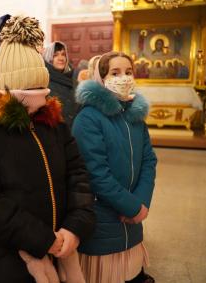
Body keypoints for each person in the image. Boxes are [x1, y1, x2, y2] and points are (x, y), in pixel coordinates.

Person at [0, 15, 96, 283]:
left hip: (60, 246)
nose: (39, 98)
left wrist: (74, 227)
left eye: (40, 89)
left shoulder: (52, 121)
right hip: (4, 258)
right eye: (29, 90)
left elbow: (78, 174)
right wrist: (42, 239)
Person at [72, 51, 157, 283]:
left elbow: (149, 160)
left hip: (133, 220)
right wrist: (131, 206)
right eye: (115, 73)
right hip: (103, 219)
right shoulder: (88, 118)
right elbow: (96, 174)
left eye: (129, 72)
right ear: (101, 78)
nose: (124, 78)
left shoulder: (135, 114)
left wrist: (142, 203)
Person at [42, 41, 78, 126]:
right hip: (56, 133)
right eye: (55, 55)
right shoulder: (44, 82)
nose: (61, 58)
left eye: (63, 54)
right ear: (48, 58)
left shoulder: (74, 80)